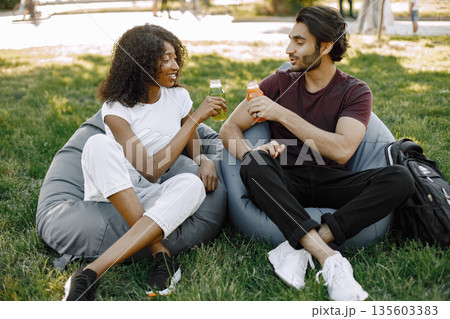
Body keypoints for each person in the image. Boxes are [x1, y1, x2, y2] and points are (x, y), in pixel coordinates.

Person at [219, 5, 414, 301]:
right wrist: (253, 151)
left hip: (332, 183)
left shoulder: (355, 91)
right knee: (254, 163)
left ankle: (299, 246)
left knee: (400, 177)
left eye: (299, 42)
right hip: (286, 183)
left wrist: (281, 114)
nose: (288, 49)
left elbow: (342, 150)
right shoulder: (277, 83)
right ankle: (331, 259)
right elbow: (228, 130)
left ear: (325, 46)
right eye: (290, 40)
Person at [63, 24, 227, 301]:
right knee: (97, 144)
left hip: (148, 193)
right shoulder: (116, 108)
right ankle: (157, 255)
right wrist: (197, 117)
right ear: (140, 64)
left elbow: (192, 144)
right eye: (165, 59)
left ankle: (85, 274)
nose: (175, 66)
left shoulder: (179, 97)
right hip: (112, 188)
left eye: (176, 57)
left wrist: (204, 160)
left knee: (192, 185)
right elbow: (150, 169)